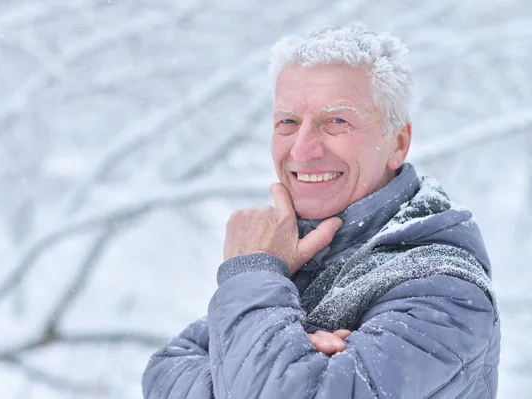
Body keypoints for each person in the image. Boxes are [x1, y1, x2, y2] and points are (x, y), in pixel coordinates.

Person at [142, 22, 500, 398]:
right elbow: (165, 368)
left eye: (337, 121)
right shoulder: (299, 262)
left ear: (398, 143)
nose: (302, 150)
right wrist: (278, 363)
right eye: (288, 122)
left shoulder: (444, 291)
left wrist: (252, 271)